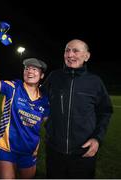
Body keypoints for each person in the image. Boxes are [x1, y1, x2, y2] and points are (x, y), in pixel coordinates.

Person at [0, 35, 49, 179]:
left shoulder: (45, 101)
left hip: (29, 152)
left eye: (35, 69)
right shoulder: (13, 87)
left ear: (42, 76)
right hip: (6, 147)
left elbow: (49, 124)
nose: (30, 71)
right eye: (27, 68)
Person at [41, 39, 113, 179]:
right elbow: (39, 100)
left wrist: (97, 139)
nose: (70, 54)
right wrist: (45, 118)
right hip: (54, 150)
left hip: (84, 152)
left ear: (87, 56)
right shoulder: (54, 77)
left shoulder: (95, 82)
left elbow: (105, 111)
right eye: (67, 50)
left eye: (75, 51)